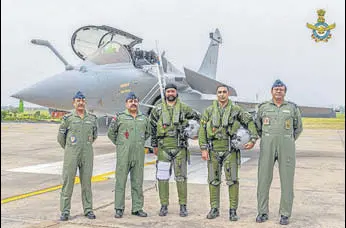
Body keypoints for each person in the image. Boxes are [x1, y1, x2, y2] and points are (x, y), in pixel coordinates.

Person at [198, 85, 259, 221]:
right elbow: (202, 130)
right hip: (213, 150)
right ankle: (214, 209)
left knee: (232, 181)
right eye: (219, 92)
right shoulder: (208, 111)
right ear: (216, 94)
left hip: (230, 150)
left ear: (228, 94)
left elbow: (249, 122)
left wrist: (253, 139)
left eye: (224, 92)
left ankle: (233, 210)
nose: (222, 94)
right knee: (213, 181)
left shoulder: (236, 110)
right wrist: (203, 148)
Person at [255, 79, 303, 225]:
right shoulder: (263, 107)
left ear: (284, 92)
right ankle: (262, 212)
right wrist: (266, 138)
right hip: (267, 145)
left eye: (281, 89)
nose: (278, 91)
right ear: (271, 91)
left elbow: (298, 127)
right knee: (263, 179)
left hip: (286, 146)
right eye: (276, 89)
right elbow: (257, 125)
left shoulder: (292, 108)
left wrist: (287, 139)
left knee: (287, 181)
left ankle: (285, 214)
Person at [150, 83, 200, 217]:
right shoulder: (158, 110)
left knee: (181, 178)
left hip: (180, 148)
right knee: (162, 178)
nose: (170, 94)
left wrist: (194, 132)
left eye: (172, 91)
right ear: (165, 94)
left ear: (176, 93)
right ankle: (164, 205)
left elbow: (198, 118)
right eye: (168, 92)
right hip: (163, 149)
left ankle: (183, 206)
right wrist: (154, 145)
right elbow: (153, 128)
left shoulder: (184, 109)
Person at [108, 92, 151, 218]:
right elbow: (111, 133)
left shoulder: (143, 118)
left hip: (138, 155)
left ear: (138, 103)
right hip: (124, 155)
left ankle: (137, 208)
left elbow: (147, 133)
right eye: (130, 101)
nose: (133, 103)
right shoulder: (120, 117)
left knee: (137, 182)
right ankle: (119, 208)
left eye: (135, 101)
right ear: (126, 104)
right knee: (120, 182)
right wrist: (121, 144)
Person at [57, 91, 98, 221]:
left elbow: (94, 135)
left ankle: (88, 210)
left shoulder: (92, 118)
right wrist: (69, 148)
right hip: (71, 154)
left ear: (85, 102)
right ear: (73, 103)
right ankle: (65, 211)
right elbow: (60, 138)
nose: (80, 103)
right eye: (78, 101)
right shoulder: (68, 119)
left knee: (86, 183)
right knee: (68, 182)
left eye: (82, 100)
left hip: (87, 154)